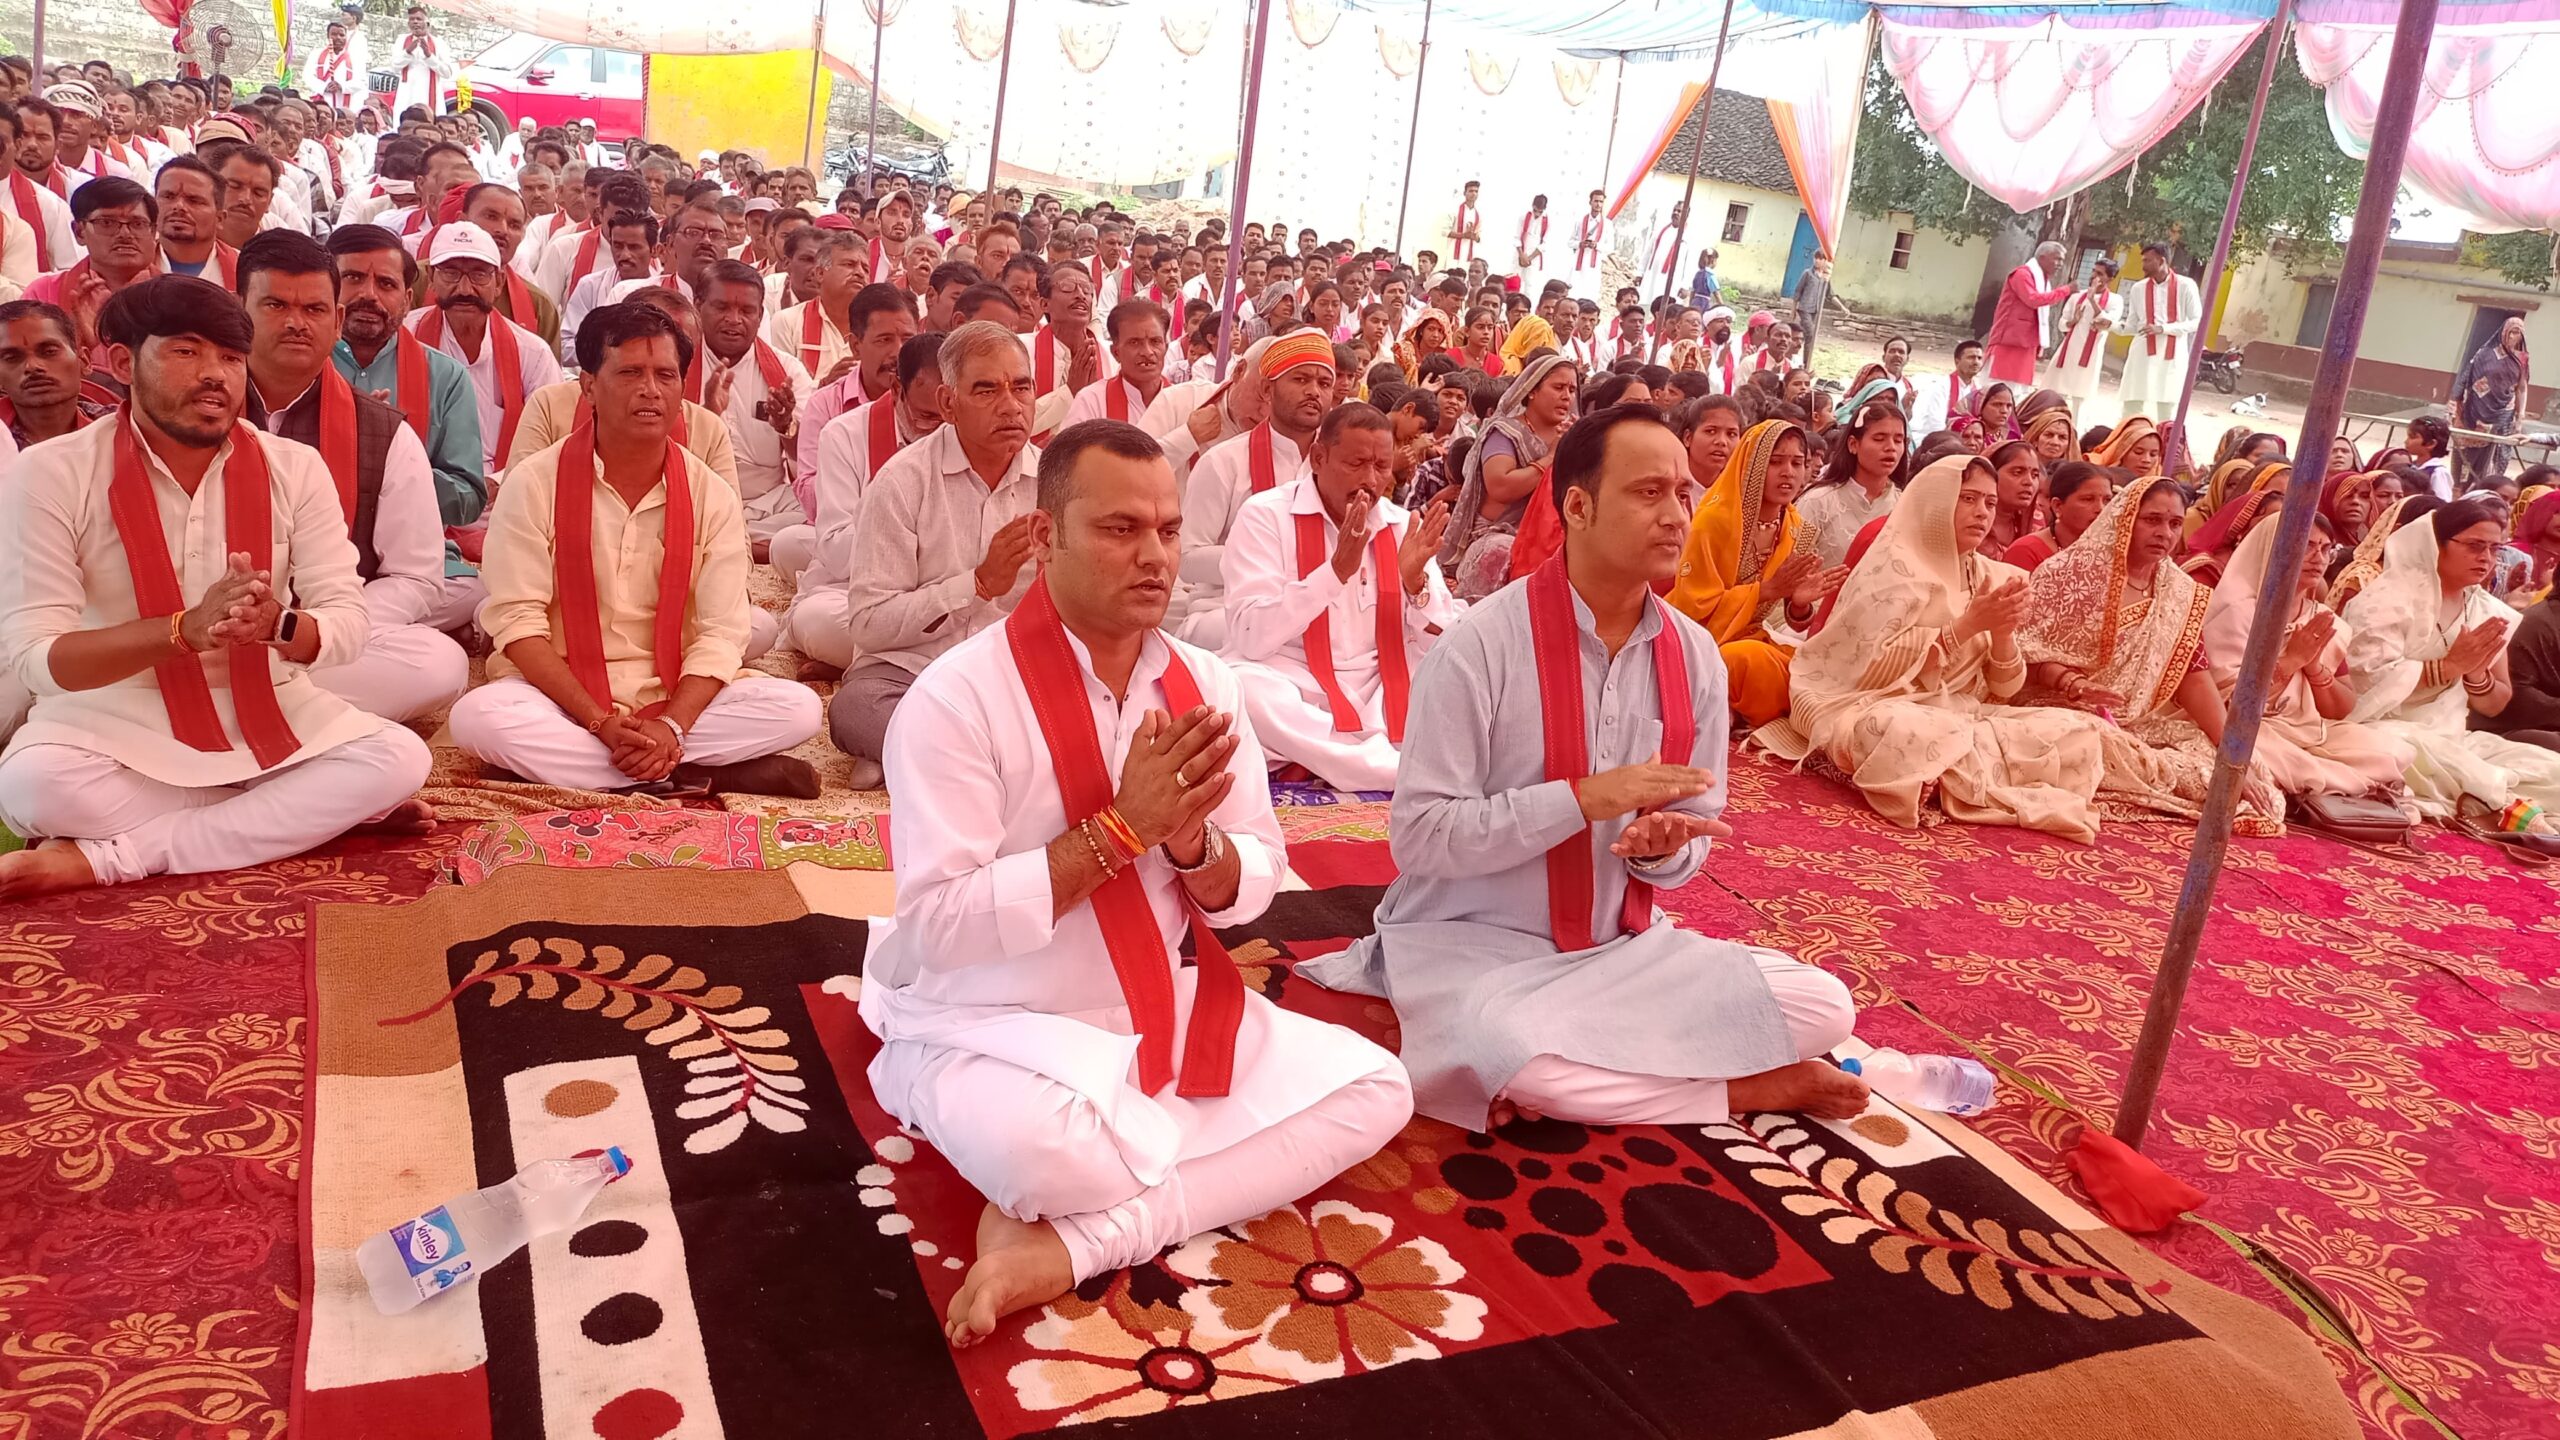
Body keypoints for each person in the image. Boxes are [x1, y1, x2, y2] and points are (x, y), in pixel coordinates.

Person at [856, 414, 1410, 1345]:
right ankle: (923, 1078)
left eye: (1168, 529)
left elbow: (1257, 876)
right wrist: (1121, 831)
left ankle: (1074, 1244)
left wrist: (1193, 845)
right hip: (994, 1019)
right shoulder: (956, 699)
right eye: (1120, 529)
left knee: (1377, 1088)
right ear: (1046, 537)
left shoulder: (1209, 686)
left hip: (1157, 1001)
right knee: (1050, 1159)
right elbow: (941, 927)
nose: (1154, 555)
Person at [0, 276, 434, 900]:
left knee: (400, 759)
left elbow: (348, 619)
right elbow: (39, 660)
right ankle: (298, 815)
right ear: (121, 362)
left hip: (270, 710)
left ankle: (114, 857)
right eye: (186, 351)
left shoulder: (294, 467)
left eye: (231, 358)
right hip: (112, 716)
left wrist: (279, 625)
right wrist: (183, 631)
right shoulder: (48, 472)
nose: (214, 375)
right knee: (35, 787)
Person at [447, 302, 822, 794]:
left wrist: (671, 725)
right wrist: (598, 721)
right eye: (630, 373)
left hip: (673, 691)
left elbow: (721, 632)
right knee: (478, 718)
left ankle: (600, 767)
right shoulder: (534, 482)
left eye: (666, 375)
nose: (651, 390)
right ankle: (691, 773)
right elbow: (518, 623)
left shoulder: (709, 493)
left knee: (799, 709)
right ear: (588, 386)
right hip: (562, 694)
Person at [1757, 455, 2110, 841]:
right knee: (1898, 730)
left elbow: (2004, 689)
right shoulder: (1894, 566)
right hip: (1871, 704)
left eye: (1990, 502)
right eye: (1968, 499)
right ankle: (1960, 772)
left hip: (1959, 714)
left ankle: (1946, 776)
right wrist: (1966, 626)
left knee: (2078, 731)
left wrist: (2002, 633)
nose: (1982, 512)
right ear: (1936, 501)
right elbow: (1870, 670)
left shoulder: (1993, 576)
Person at [233, 232, 465, 724]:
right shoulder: (197, 411)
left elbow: (415, 577)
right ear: (239, 311)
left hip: (316, 635)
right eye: (276, 305)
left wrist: (304, 626)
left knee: (440, 663)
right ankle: (268, 704)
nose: (296, 323)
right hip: (207, 623)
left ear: (336, 321)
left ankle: (242, 701)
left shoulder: (383, 432)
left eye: (315, 310)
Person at [831, 322, 1041, 775]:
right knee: (856, 707)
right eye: (987, 390)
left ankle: (922, 760)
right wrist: (977, 585)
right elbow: (868, 623)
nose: (1011, 406)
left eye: (1022, 387)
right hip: (910, 672)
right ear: (948, 404)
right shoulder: (901, 482)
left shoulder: (1053, 484)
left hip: (1011, 675)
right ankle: (989, 764)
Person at [2018, 477, 2285, 830]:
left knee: (2240, 766)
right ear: (2124, 518)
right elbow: (2026, 655)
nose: (2165, 533)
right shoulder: (2067, 575)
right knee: (2099, 744)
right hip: (2063, 712)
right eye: (2152, 520)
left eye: (2175, 523)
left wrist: (2230, 751)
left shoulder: (2178, 591)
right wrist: (2073, 684)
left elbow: (2193, 674)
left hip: (2135, 723)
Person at [1217, 402, 1456, 791]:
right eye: (1356, 463)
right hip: (1297, 681)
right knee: (1242, 688)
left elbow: (1441, 642)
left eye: (1381, 467)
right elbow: (1250, 636)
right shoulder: (1265, 516)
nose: (1370, 480)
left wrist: (1417, 586)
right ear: (1318, 458)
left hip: (1382, 683)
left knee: (1455, 683)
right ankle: (1396, 770)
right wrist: (1334, 574)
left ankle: (1338, 761)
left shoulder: (1401, 525)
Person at [2343, 494, 2560, 818]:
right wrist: (2447, 667)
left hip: (2453, 737)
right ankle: (2501, 806)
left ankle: (2496, 803)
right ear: (2437, 544)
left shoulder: (2487, 610)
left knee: (2550, 770)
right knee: (2410, 753)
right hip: (2382, 729)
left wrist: (2476, 675)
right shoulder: (2387, 600)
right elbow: (2362, 686)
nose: (2486, 558)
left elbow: (2495, 703)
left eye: (2494, 549)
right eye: (2474, 546)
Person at [327, 223, 490, 632]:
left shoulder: (445, 376)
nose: (369, 294)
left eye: (386, 283)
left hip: (408, 561)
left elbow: (469, 499)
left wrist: (392, 456)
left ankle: (332, 630)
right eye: (353, 278)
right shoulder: (299, 361)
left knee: (473, 589)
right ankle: (357, 630)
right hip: (311, 551)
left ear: (407, 299)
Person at [2202, 515, 2415, 797]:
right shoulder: (2239, 613)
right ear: (2274, 549)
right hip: (2249, 726)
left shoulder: (2323, 620)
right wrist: (2291, 661)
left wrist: (2314, 668)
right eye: (2307, 546)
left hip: (2308, 732)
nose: (2318, 558)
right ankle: (2329, 782)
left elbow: (2340, 710)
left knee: (2393, 751)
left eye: (2326, 549)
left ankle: (2331, 780)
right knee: (2278, 759)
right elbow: (2224, 703)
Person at [782, 333, 946, 676]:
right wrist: (906, 525)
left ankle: (873, 662)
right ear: (897, 390)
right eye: (926, 416)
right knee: (816, 620)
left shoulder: (962, 433)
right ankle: (911, 663)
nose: (938, 430)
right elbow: (836, 551)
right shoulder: (843, 435)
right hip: (855, 589)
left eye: (949, 416)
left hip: (936, 594)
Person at [1667, 418, 1844, 727]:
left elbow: (1793, 616)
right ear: (1751, 465)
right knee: (1742, 659)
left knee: (1821, 665)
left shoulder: (1796, 529)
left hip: (1753, 637)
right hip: (1697, 641)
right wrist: (1766, 591)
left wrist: (1799, 604)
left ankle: (1737, 704)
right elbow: (1691, 607)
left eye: (1797, 463)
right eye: (1775, 462)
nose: (1788, 472)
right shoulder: (1714, 522)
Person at [1170, 333, 1338, 646]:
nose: (1313, 391)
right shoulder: (1223, 462)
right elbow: (1187, 559)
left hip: (1317, 607)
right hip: (1224, 612)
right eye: (1301, 379)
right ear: (1267, 390)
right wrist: (1275, 559)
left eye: (1324, 383)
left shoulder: (1337, 468)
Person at [408, 221, 563, 477]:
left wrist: (500, 482)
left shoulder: (532, 353)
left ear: (499, 281)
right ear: (432, 278)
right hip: (420, 484)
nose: (464, 289)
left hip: (509, 487)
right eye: (451, 273)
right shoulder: (406, 337)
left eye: (479, 275)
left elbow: (552, 436)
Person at [694, 258, 812, 550]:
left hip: (767, 503)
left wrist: (786, 426)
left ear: (760, 316)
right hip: (698, 495)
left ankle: (726, 543)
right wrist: (708, 416)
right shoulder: (675, 366)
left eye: (746, 311)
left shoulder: (788, 370)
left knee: (816, 505)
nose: (734, 320)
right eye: (722, 307)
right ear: (698, 306)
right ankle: (752, 547)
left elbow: (808, 458)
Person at [1441, 354, 1575, 601]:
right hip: (1498, 537)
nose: (1567, 396)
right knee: (1502, 552)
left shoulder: (1572, 436)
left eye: (1572, 390)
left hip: (1550, 539)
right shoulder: (1506, 432)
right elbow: (1501, 487)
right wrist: (1550, 458)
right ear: (1532, 390)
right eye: (1558, 387)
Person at [1794, 400, 1909, 568]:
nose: (1891, 447)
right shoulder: (1817, 502)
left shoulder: (1905, 506)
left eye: (1898, 440)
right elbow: (1792, 566)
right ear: (1853, 444)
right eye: (1879, 439)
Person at [2114, 244, 2200, 423]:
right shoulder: (2138, 288)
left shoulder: (2186, 285)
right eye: (2143, 260)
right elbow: (2132, 326)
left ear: (2161, 261)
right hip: (2142, 354)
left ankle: (2164, 440)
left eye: (2147, 261)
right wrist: (2110, 325)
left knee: (2167, 410)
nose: (2143, 265)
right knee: (2132, 405)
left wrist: (2163, 329)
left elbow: (2196, 322)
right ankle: (2129, 436)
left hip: (2172, 356)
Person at [1058, 298, 1168, 429]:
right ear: (1116, 352)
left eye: (1155, 341)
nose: (1147, 352)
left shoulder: (1182, 399)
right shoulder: (1092, 401)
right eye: (1134, 342)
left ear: (1166, 347)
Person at [1998, 460, 2111, 573]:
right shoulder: (2025, 552)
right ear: (2057, 506)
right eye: (2088, 499)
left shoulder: (2111, 551)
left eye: (2107, 500)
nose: (2101, 509)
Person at [2455, 317, 2529, 485]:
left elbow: (2522, 388)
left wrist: (2520, 416)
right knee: (2469, 453)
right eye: (2511, 332)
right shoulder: (2485, 354)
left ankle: (2488, 484)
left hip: (2504, 412)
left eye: (2518, 333)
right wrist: (2458, 403)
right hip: (2477, 412)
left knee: (2497, 451)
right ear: (2503, 333)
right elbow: (2469, 379)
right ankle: (2462, 486)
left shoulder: (2522, 359)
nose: (2514, 337)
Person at [1986, 241, 2070, 385]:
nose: (2060, 264)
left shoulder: (2042, 279)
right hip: (2010, 338)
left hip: (2027, 339)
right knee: (1998, 384)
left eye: (2062, 260)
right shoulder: (2022, 274)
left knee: (2018, 386)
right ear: (2042, 257)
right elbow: (2032, 299)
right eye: (2057, 259)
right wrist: (2065, 290)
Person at [2049, 258, 2119, 411]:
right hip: (2068, 350)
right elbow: (2062, 324)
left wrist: (2092, 300)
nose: (2094, 276)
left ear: (2110, 279)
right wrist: (2073, 321)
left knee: (2080, 399)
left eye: (2100, 274)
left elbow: (2108, 322)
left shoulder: (2115, 300)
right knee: (2058, 395)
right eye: (2093, 271)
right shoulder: (2076, 297)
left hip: (2090, 355)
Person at [392, 6, 459, 117]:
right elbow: (394, 67)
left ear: (427, 23)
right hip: (407, 96)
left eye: (419, 19)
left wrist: (429, 56)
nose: (415, 22)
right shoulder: (401, 41)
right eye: (412, 19)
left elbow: (447, 73)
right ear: (408, 24)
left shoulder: (439, 43)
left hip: (429, 95)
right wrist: (408, 52)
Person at [2087, 413, 2162, 477]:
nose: (2147, 460)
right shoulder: (2093, 474)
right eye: (2138, 452)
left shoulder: (2161, 479)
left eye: (2153, 454)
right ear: (2122, 451)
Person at [1569, 190, 1609, 293]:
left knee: (1590, 292)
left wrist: (1596, 245)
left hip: (1594, 266)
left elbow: (1610, 247)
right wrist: (1580, 244)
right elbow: (1570, 242)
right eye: (1596, 201)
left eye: (1601, 202)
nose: (1598, 204)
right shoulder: (1580, 220)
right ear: (1590, 202)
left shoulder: (1607, 224)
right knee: (1575, 291)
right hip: (1578, 264)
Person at [1448, 179, 1482, 264]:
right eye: (1471, 191)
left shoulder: (1478, 214)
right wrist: (1463, 235)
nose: (1473, 194)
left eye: (1476, 191)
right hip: (1453, 253)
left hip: (1469, 255)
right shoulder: (1454, 210)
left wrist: (1474, 236)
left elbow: (1479, 237)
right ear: (1464, 193)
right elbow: (1445, 232)